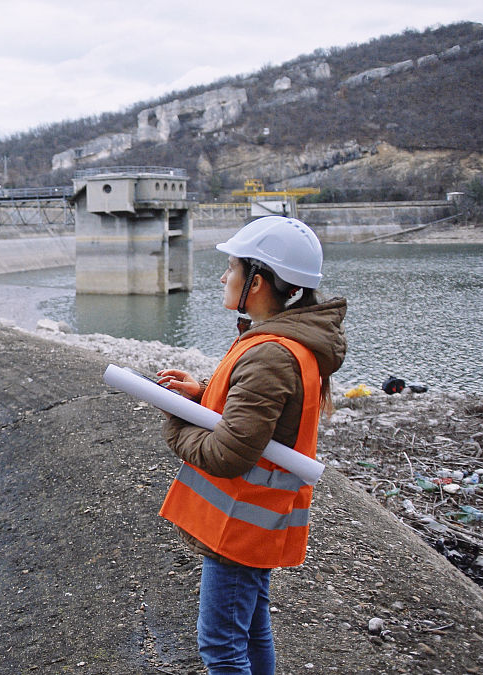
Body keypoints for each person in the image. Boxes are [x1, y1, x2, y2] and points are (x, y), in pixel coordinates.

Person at [154, 216, 347, 675]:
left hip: (241, 522)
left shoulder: (271, 353)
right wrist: (203, 396)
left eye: (231, 268)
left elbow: (228, 453)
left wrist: (176, 420)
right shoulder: (287, 343)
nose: (224, 277)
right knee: (252, 630)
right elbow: (259, 424)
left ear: (256, 282)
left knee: (221, 649)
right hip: (257, 517)